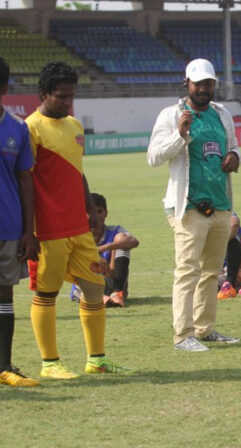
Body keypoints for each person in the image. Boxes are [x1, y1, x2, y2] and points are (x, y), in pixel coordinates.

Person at [26, 61, 130, 378]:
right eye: (61, 96)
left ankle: (96, 359)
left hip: (79, 226)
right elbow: (25, 181)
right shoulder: (31, 128)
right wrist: (28, 230)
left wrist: (89, 210)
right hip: (47, 229)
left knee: (95, 288)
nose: (68, 102)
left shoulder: (74, 126)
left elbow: (77, 172)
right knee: (46, 293)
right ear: (43, 93)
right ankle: (50, 364)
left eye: (71, 96)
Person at [147, 58, 241, 352]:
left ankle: (204, 329)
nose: (203, 88)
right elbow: (153, 157)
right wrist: (180, 134)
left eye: (208, 83)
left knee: (212, 271)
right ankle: (182, 335)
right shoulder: (171, 115)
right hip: (186, 206)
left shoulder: (222, 114)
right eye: (198, 83)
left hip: (220, 203)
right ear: (186, 83)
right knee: (187, 271)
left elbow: (233, 146)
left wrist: (235, 157)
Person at [0, 56, 39, 387]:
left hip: (9, 229)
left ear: (4, 88)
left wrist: (29, 230)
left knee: (4, 297)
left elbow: (25, 180)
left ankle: (5, 367)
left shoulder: (17, 128)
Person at [71, 193, 139, 307]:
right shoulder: (79, 236)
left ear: (106, 213)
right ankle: (107, 298)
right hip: (87, 284)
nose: (96, 216)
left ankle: (116, 294)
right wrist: (95, 255)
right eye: (91, 213)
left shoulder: (114, 231)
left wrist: (106, 248)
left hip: (112, 281)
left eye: (99, 212)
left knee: (123, 245)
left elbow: (134, 242)